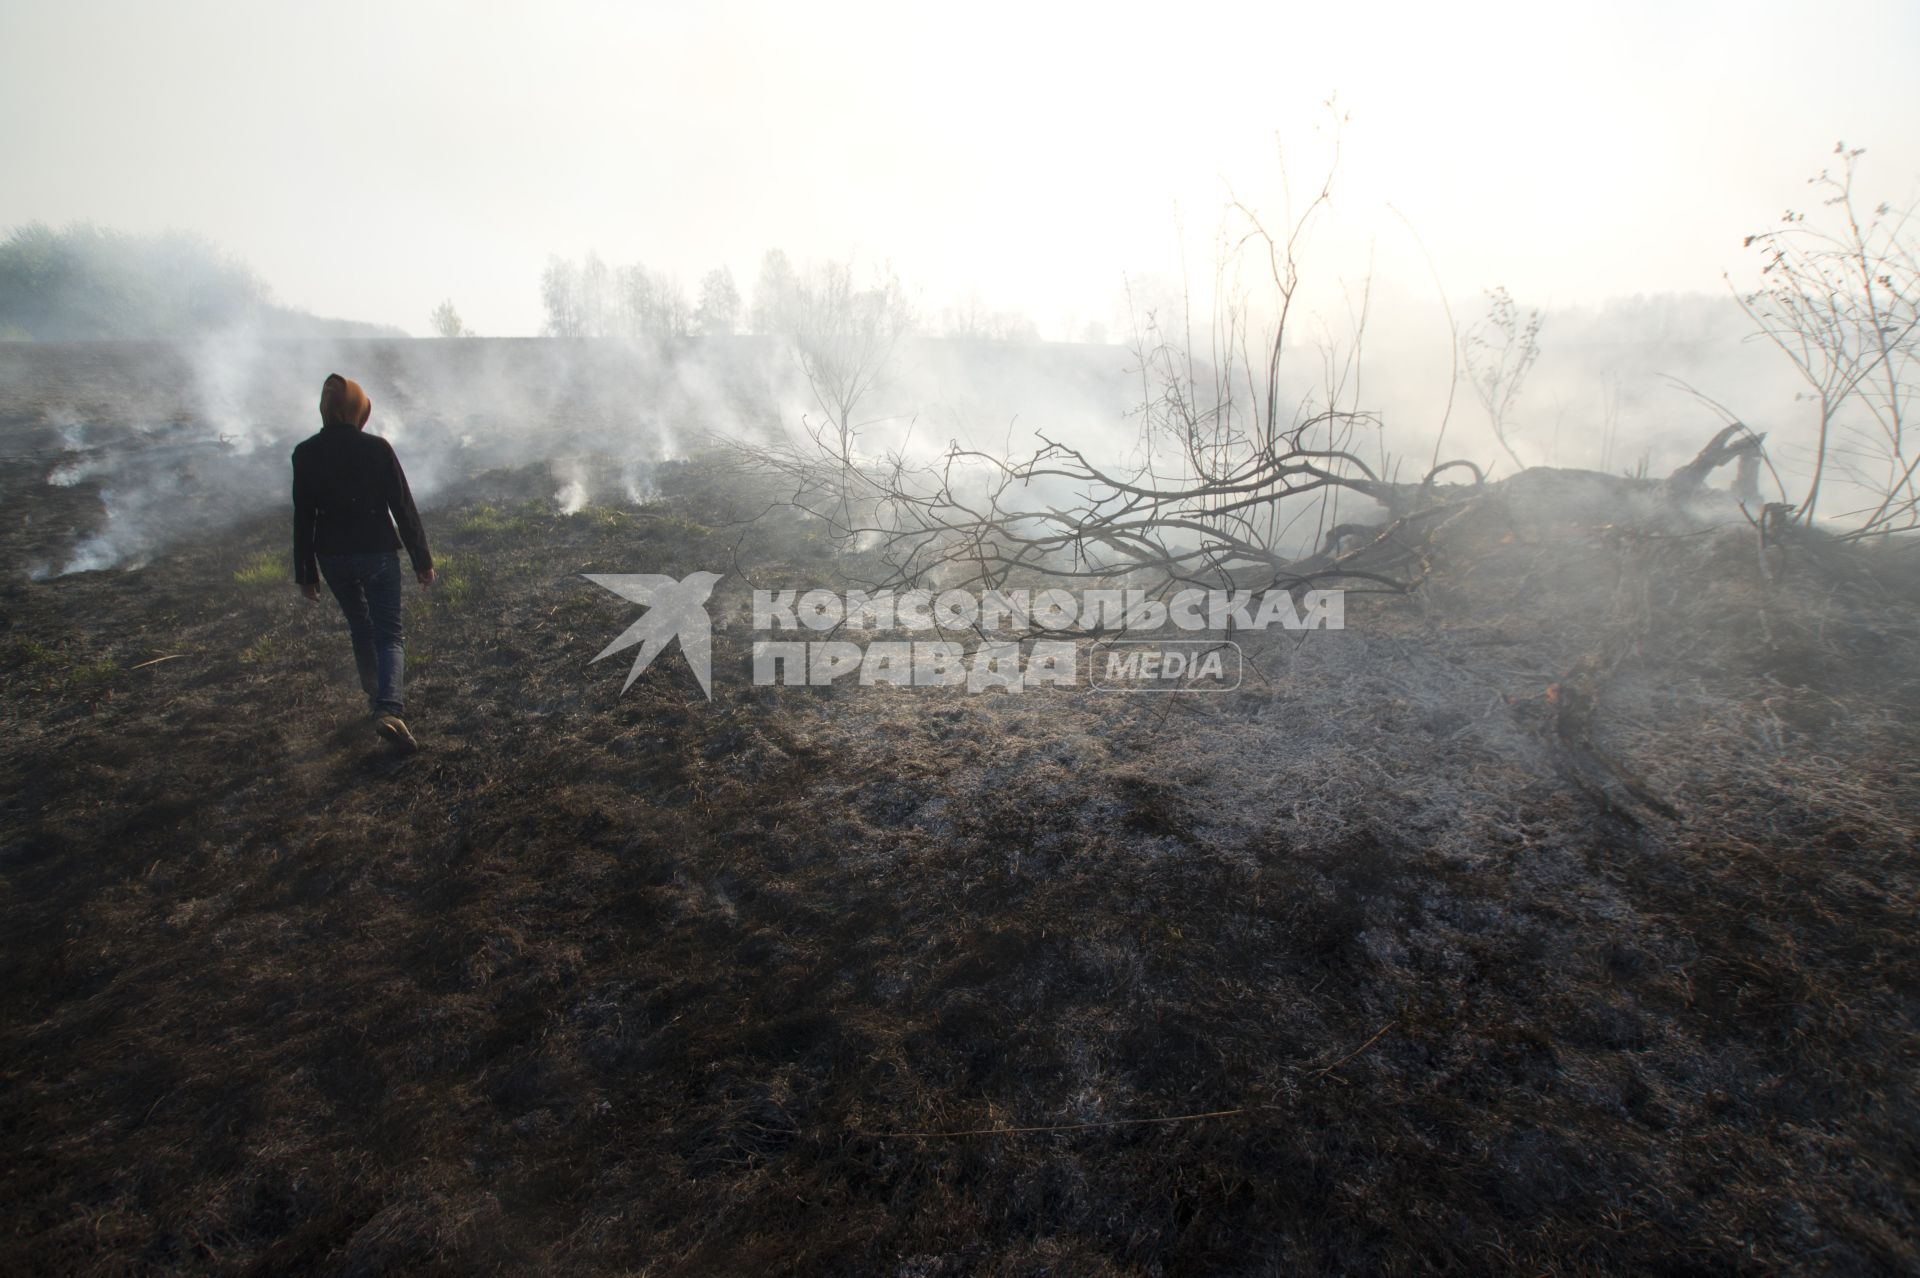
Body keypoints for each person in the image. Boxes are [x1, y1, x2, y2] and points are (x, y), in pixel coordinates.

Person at [292, 373, 435, 753]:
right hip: (377, 553)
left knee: (361, 626)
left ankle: (376, 698)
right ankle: (388, 708)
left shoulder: (305, 453)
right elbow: (402, 507)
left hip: (333, 557)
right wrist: (422, 559)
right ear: (359, 408)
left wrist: (306, 573)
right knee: (389, 633)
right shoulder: (377, 449)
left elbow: (303, 517)